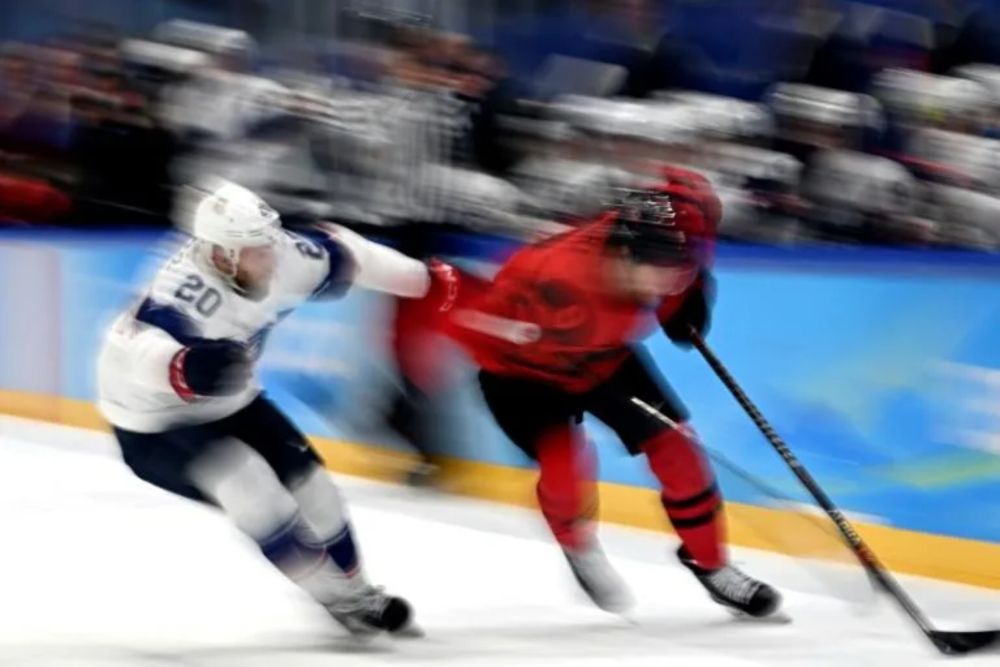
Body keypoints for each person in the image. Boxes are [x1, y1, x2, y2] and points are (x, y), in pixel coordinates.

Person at [96, 178, 458, 635]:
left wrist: (422, 279)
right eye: (253, 251)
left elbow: (353, 254)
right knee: (251, 488)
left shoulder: (282, 255)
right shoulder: (182, 292)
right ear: (219, 254)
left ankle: (357, 593)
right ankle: (342, 598)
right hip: (152, 423)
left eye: (267, 246)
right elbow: (130, 347)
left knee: (316, 488)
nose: (268, 260)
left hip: (230, 399)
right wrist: (179, 367)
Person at [440, 168, 781, 617]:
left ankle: (711, 564)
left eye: (675, 275)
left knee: (679, 449)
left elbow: (690, 202)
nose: (664, 288)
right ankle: (577, 543)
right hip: (520, 375)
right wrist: (507, 331)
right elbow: (459, 318)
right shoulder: (548, 277)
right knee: (567, 467)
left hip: (603, 360)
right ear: (622, 255)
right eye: (656, 275)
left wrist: (695, 284)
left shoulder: (668, 239)